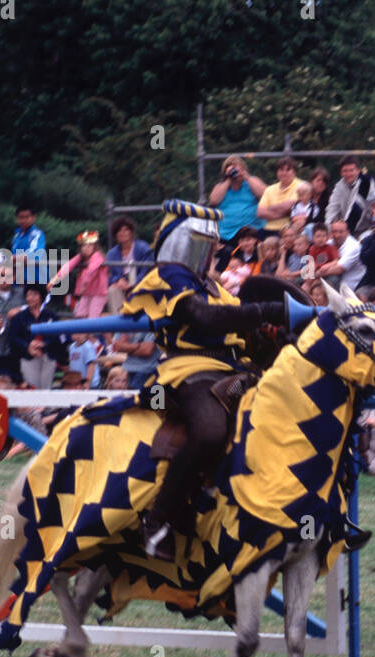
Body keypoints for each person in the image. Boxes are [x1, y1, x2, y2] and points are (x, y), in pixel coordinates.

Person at [120, 199, 290, 560]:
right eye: (202, 244)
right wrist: (268, 310)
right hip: (187, 373)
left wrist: (274, 331)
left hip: (235, 371)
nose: (211, 251)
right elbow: (204, 319)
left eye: (212, 245)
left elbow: (238, 324)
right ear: (180, 241)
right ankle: (158, 519)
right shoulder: (167, 277)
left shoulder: (212, 285)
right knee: (211, 429)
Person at [208, 155, 268, 271]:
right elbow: (213, 200)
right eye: (231, 169)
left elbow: (264, 194)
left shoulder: (251, 182)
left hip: (250, 233)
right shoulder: (221, 187)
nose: (235, 172)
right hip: (226, 234)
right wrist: (228, 180)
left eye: (237, 168)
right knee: (225, 255)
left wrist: (246, 176)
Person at [8, 284, 67, 390]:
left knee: (46, 388)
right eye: (28, 295)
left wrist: (45, 344)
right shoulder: (19, 317)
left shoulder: (51, 316)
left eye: (34, 295)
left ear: (41, 297)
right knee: (32, 388)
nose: (30, 298)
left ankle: (46, 407)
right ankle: (34, 407)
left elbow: (61, 336)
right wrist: (28, 346)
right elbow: (13, 338)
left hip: (48, 356)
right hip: (28, 357)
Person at [48, 230, 107, 318]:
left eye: (90, 245)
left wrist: (84, 284)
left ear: (95, 246)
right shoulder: (81, 257)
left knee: (93, 318)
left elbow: (91, 269)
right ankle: (79, 332)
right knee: (80, 316)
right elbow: (68, 265)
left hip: (98, 293)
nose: (87, 248)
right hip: (86, 293)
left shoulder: (97, 256)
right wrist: (54, 280)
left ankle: (98, 330)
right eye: (84, 245)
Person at [105, 216, 154, 313]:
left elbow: (147, 270)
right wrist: (117, 280)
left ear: (131, 232)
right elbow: (107, 275)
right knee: (112, 290)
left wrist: (134, 285)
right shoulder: (111, 254)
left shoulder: (143, 248)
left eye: (126, 230)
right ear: (115, 234)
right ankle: (118, 322)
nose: (122, 233)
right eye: (119, 231)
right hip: (122, 286)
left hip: (141, 283)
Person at [326, 155, 375, 231]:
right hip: (344, 231)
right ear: (341, 173)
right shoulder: (338, 187)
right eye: (345, 171)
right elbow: (332, 210)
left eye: (351, 170)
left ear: (358, 171)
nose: (348, 174)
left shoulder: (367, 183)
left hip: (366, 229)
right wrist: (328, 229)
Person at [316, 220, 365, 290]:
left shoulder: (354, 246)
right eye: (334, 231)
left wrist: (316, 274)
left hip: (349, 286)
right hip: (332, 279)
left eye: (341, 232)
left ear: (348, 232)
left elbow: (339, 269)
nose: (337, 235)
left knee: (332, 280)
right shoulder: (329, 242)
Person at [11, 206, 47, 284]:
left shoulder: (37, 234)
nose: (24, 220)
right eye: (20, 217)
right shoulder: (16, 235)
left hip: (36, 280)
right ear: (17, 218)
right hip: (18, 281)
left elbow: (34, 255)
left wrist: (12, 258)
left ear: (34, 217)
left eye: (27, 217)